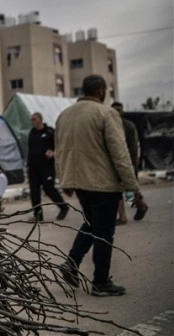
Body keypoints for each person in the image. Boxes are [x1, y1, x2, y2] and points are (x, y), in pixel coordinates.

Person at [56, 75, 138, 297]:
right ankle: (100, 282)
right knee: (104, 231)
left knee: (92, 223)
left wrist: (65, 180)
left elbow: (60, 150)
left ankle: (71, 263)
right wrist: (134, 189)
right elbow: (120, 154)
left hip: (80, 182)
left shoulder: (65, 115)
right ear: (101, 90)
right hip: (103, 183)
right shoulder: (105, 113)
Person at [26, 112, 69, 222]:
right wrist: (28, 165)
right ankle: (38, 215)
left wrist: (54, 153)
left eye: (35, 119)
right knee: (34, 192)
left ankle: (63, 207)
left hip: (46, 167)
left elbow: (60, 145)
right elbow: (30, 149)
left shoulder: (49, 132)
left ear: (40, 120)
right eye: (31, 120)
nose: (33, 122)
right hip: (33, 168)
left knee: (48, 188)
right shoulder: (32, 132)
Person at [111, 102, 148, 223]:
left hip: (127, 162)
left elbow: (133, 147)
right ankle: (122, 217)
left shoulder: (128, 126)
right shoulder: (110, 125)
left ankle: (141, 205)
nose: (117, 112)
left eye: (119, 110)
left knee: (130, 189)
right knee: (117, 190)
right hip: (116, 163)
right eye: (115, 110)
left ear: (122, 112)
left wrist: (132, 164)